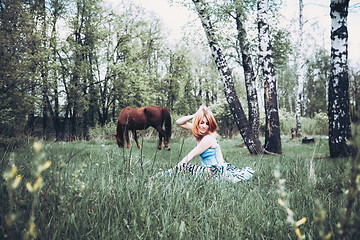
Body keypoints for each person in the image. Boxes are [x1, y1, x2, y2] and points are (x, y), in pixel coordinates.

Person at [166, 106, 254, 183]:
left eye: (207, 124)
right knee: (185, 170)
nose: (204, 126)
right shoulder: (198, 129)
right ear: (197, 122)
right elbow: (179, 122)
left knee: (185, 167)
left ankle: (225, 179)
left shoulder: (208, 139)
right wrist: (195, 115)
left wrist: (172, 170)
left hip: (216, 170)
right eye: (201, 122)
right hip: (210, 170)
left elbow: (190, 156)